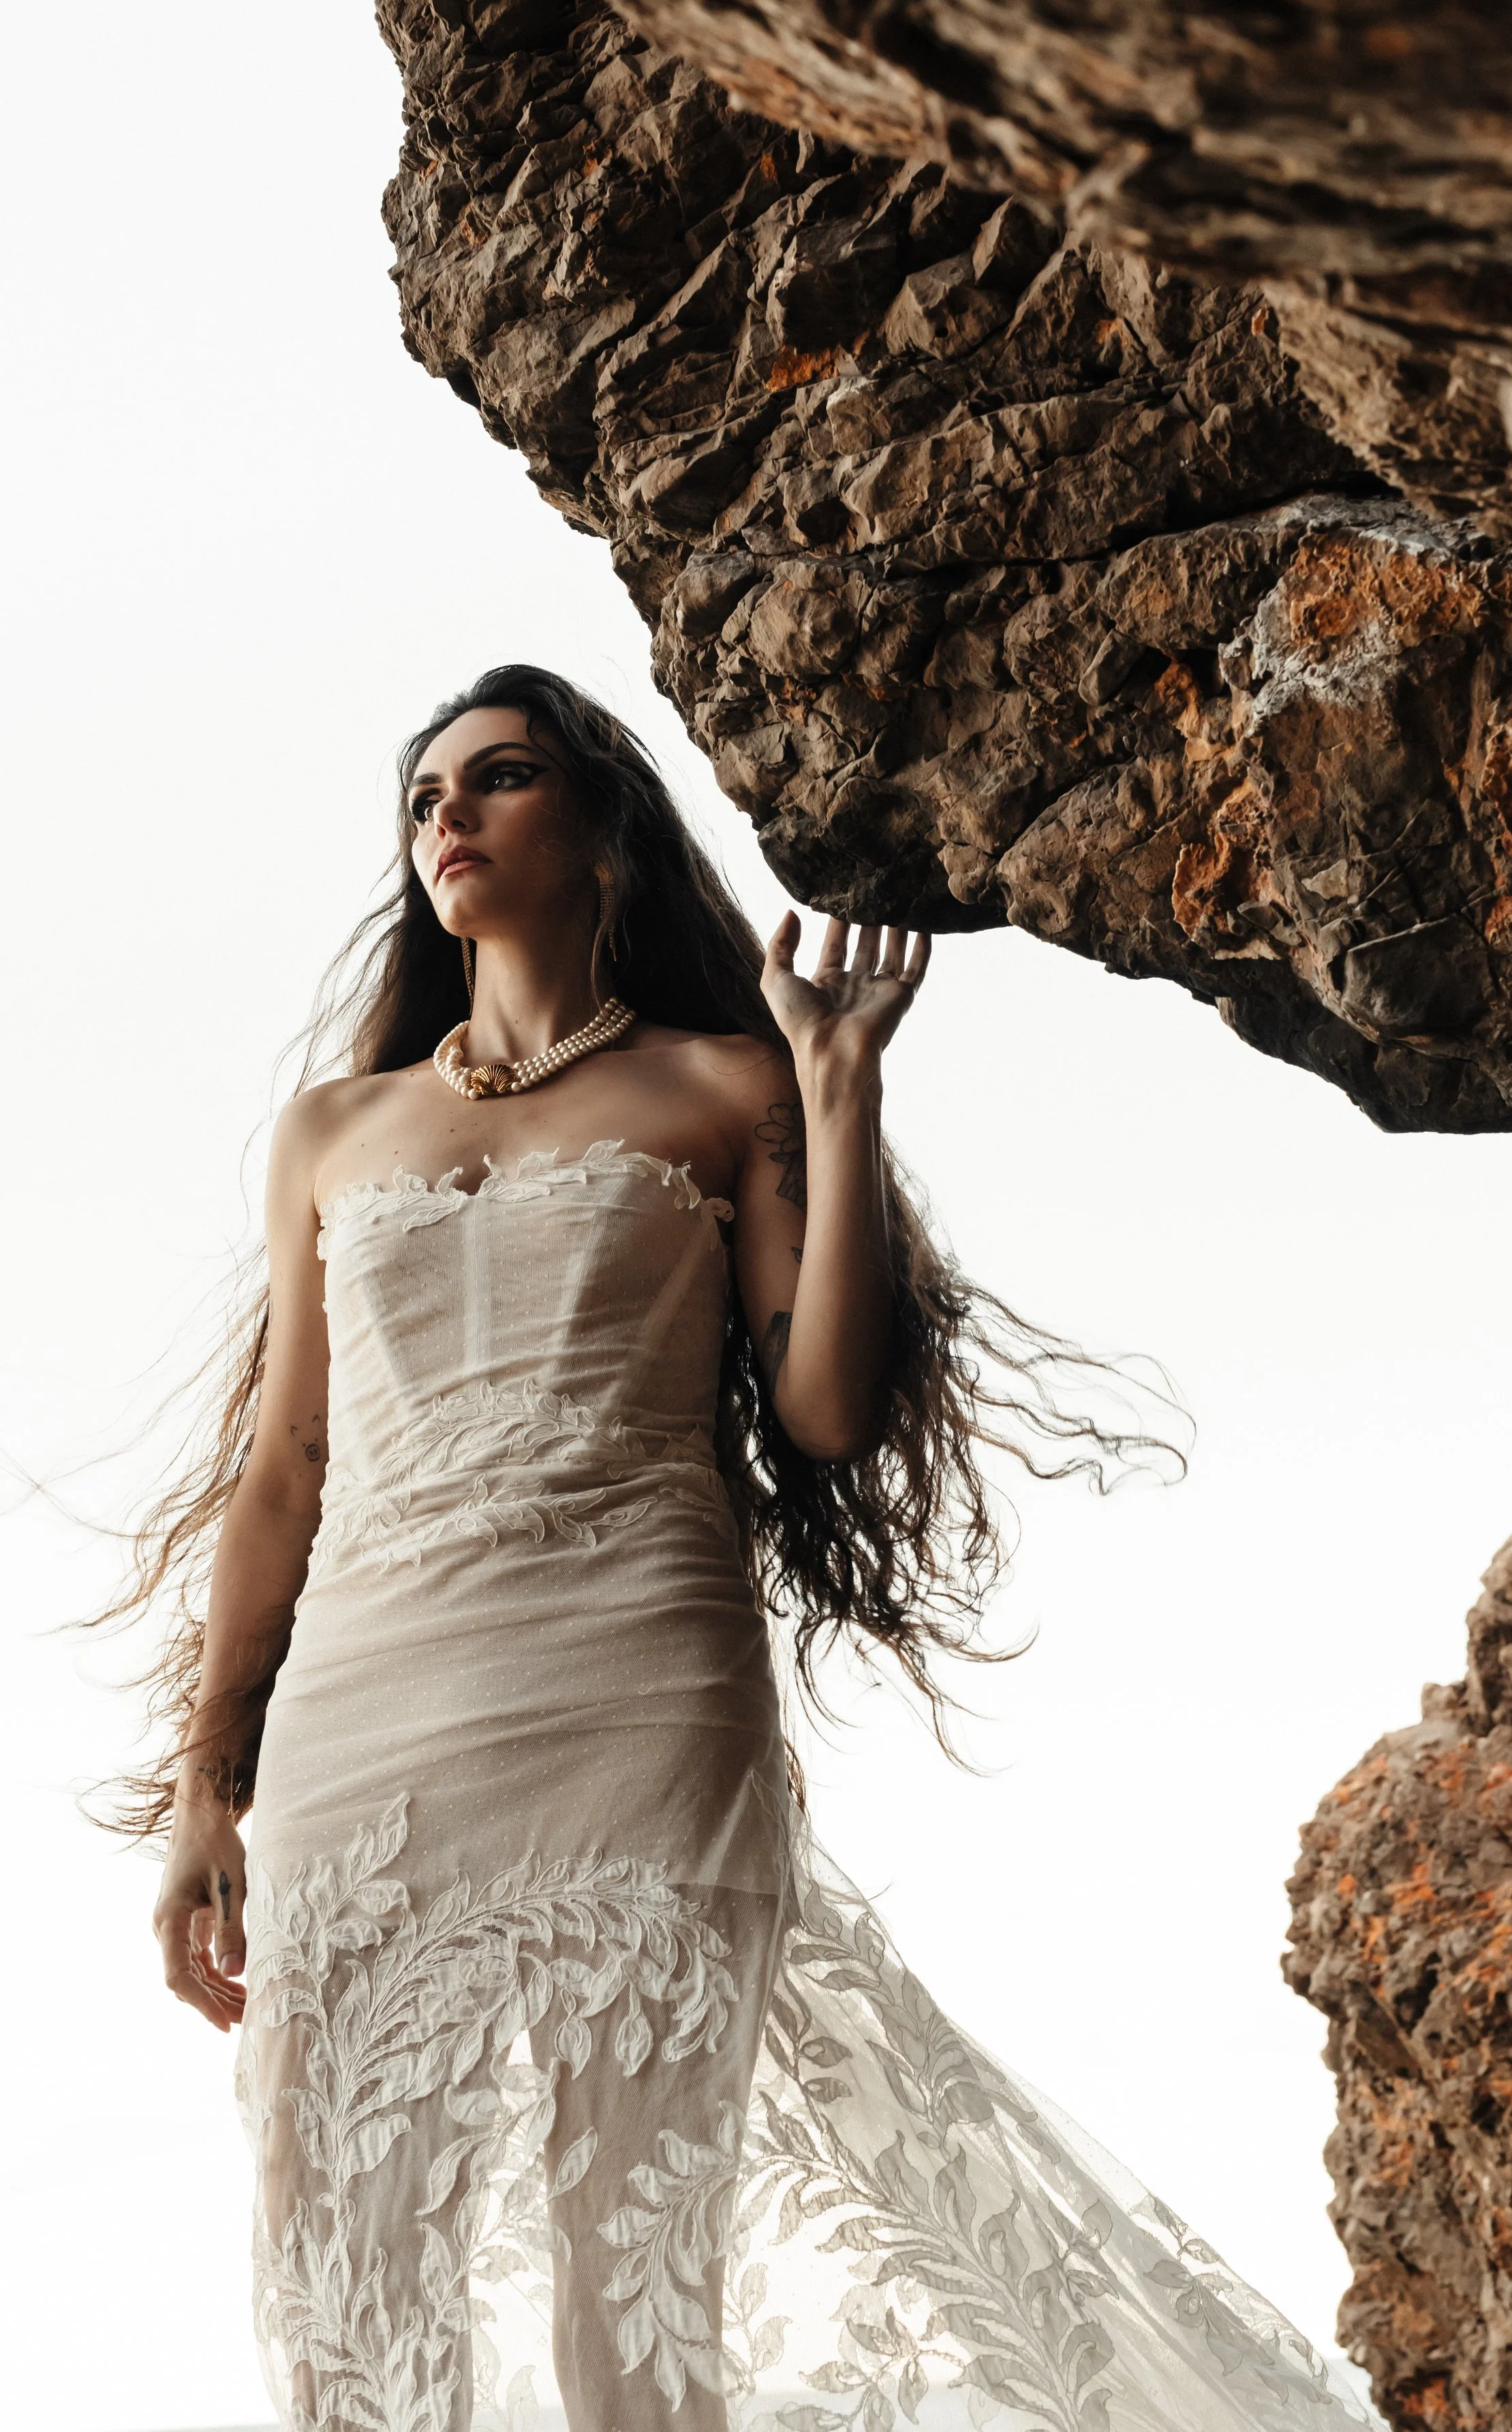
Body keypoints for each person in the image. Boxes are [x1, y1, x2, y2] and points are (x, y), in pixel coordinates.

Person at [118, 664, 1372, 2431]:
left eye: (500, 779)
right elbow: (286, 1468)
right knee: (344, 2278)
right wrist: (205, 1789)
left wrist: (839, 1093)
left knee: (623, 2271)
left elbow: (829, 1405)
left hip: (635, 1691)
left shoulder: (722, 1088)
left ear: (602, 833)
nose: (449, 817)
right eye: (423, 798)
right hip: (361, 1736)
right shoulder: (337, 1130)